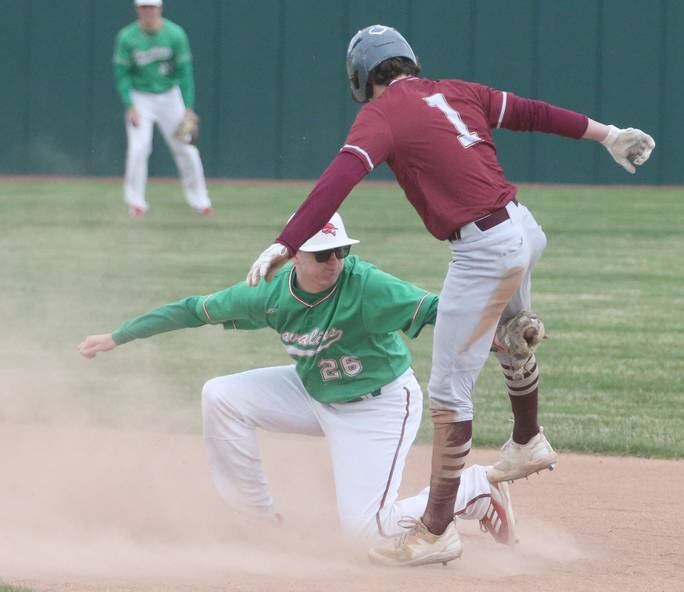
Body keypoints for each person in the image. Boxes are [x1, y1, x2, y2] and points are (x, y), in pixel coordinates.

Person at [244, 25, 656, 566]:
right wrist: (608, 135)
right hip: (521, 230)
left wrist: (286, 241)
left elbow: (339, 178)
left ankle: (436, 531)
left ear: (361, 78)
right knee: (511, 334)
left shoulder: (382, 113)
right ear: (408, 61)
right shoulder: (458, 91)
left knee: (447, 395)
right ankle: (527, 437)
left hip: (481, 250)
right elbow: (533, 113)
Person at [77, 212, 515, 564]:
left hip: (377, 406)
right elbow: (194, 310)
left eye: (340, 251)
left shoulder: (365, 285)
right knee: (221, 395)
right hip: (314, 390)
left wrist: (492, 332)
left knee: (366, 531)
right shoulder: (269, 293)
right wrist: (119, 336)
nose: (335, 262)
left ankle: (474, 489)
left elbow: (439, 308)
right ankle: (257, 517)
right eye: (323, 254)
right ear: (293, 256)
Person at [113, 0, 213, 218]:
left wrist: (188, 107)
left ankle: (201, 201)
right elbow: (122, 74)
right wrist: (129, 105)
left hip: (170, 95)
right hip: (140, 96)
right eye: (144, 7)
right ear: (137, 9)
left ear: (160, 8)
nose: (148, 11)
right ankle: (136, 202)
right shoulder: (127, 37)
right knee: (139, 148)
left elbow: (185, 72)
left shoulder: (175, 34)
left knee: (186, 147)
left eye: (151, 6)